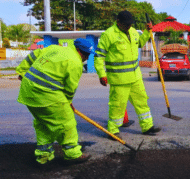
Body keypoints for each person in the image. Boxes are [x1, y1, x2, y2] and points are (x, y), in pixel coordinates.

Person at [15, 38, 94, 166]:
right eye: (85, 54)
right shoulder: (75, 62)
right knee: (67, 122)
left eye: (89, 55)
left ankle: (43, 155)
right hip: (44, 94)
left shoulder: (54, 48)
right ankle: (72, 153)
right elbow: (70, 89)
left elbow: (33, 55)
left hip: (27, 91)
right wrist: (68, 103)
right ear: (78, 50)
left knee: (43, 123)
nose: (86, 57)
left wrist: (22, 70)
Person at [94, 10, 161, 138]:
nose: (129, 26)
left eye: (130, 24)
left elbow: (140, 43)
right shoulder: (109, 35)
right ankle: (113, 131)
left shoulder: (133, 31)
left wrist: (147, 32)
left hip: (136, 77)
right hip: (119, 80)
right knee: (117, 106)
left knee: (142, 102)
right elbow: (98, 57)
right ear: (118, 22)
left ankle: (147, 126)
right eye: (126, 24)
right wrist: (101, 73)